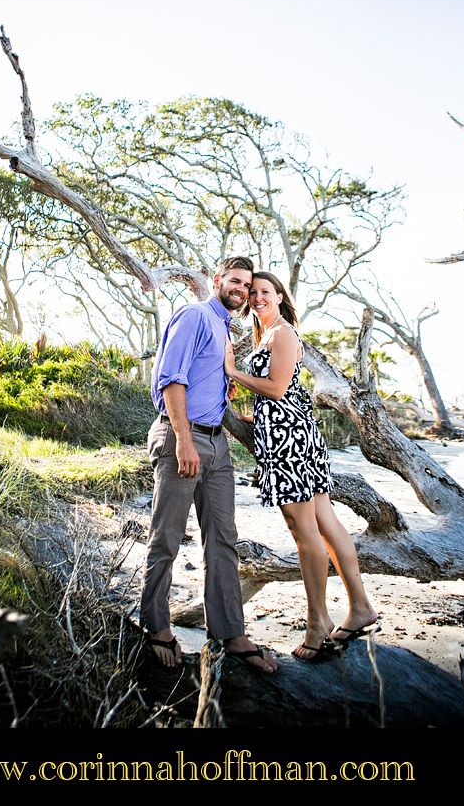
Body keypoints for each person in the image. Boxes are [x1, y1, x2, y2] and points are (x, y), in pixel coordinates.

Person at [224, 270, 380, 661]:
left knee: (303, 528)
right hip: (287, 431)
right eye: (253, 292)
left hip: (290, 439)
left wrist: (233, 372)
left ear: (279, 295)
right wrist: (255, 418)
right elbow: (281, 393)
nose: (257, 297)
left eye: (265, 291)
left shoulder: (283, 334)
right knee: (325, 523)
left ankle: (318, 622)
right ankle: (360, 608)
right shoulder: (268, 334)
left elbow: (277, 388)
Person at [139, 256, 277, 674]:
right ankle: (156, 627)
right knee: (166, 536)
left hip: (217, 446)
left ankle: (231, 633)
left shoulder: (224, 328)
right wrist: (183, 440)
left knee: (223, 540)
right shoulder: (195, 314)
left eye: (247, 285)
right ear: (217, 280)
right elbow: (171, 380)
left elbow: (203, 380)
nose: (241, 290)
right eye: (234, 281)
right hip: (183, 439)